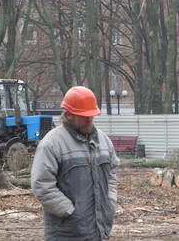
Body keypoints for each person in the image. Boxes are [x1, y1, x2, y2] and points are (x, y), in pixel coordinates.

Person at [31, 86, 120, 241]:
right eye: (84, 116)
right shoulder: (52, 144)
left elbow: (111, 174)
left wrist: (109, 203)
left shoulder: (103, 141)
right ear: (69, 115)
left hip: (99, 230)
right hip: (66, 233)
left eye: (92, 115)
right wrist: (71, 212)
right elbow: (41, 184)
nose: (89, 119)